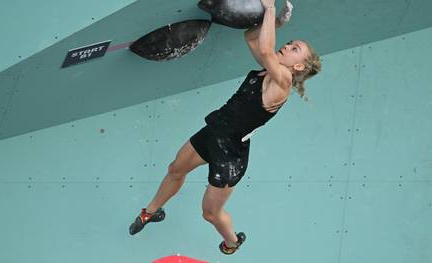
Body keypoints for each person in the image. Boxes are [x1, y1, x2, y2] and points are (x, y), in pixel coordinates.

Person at [129, 0, 322, 255]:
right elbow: (252, 37)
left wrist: (271, 8)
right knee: (176, 169)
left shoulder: (283, 81)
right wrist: (274, 23)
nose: (287, 45)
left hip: (231, 153)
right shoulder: (268, 71)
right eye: (290, 42)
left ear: (298, 66)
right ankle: (151, 212)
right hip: (216, 128)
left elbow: (265, 49)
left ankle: (232, 242)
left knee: (210, 213)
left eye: (294, 48)